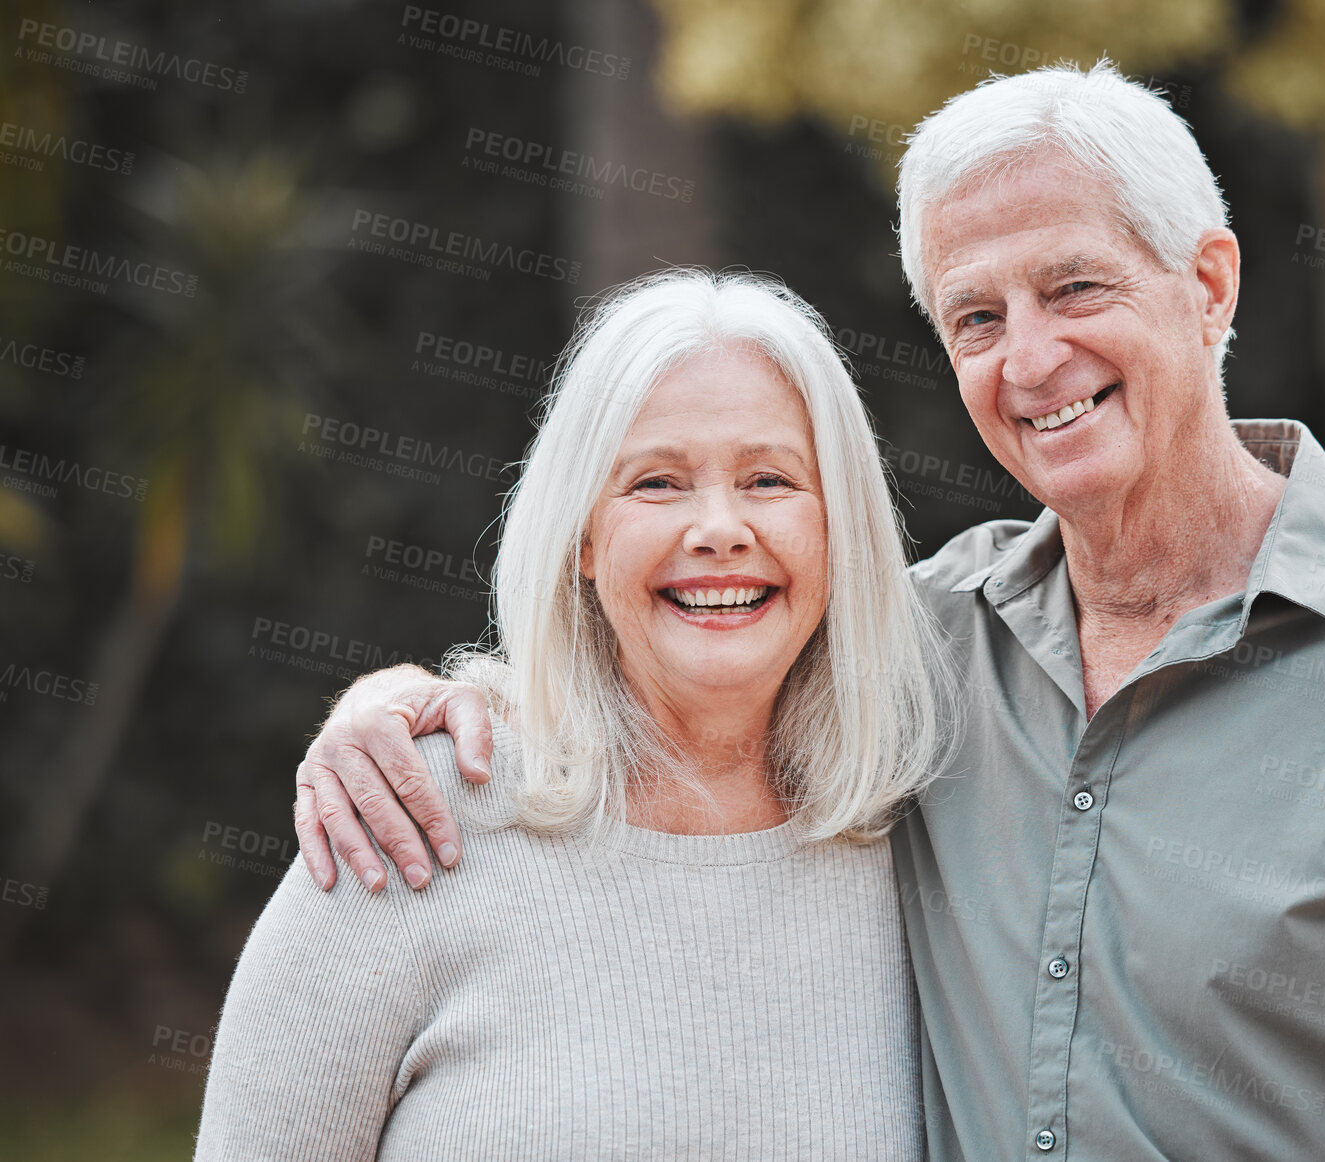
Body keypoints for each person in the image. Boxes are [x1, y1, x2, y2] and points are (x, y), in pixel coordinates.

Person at [294, 64, 1325, 1160]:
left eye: (1075, 287)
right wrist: (408, 705)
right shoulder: (918, 646)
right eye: (976, 317)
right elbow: (668, 663)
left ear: (1212, 284)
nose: (1032, 357)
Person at [196, 270, 950, 1159]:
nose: (718, 527)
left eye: (769, 479)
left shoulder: (932, 839)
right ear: (585, 538)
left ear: (839, 529)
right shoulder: (408, 816)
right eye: (658, 483)